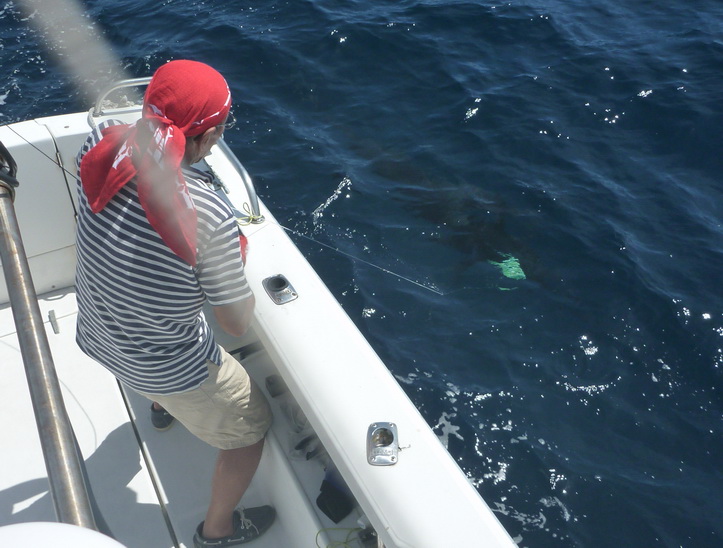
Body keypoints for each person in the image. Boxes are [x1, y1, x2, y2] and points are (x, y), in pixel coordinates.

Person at [75, 59, 274, 547]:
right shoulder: (209, 213)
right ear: (205, 138)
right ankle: (217, 531)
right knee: (252, 428)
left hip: (98, 331)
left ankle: (164, 408)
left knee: (153, 330)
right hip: (162, 363)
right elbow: (232, 321)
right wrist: (232, 262)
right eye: (221, 129)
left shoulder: (102, 141)